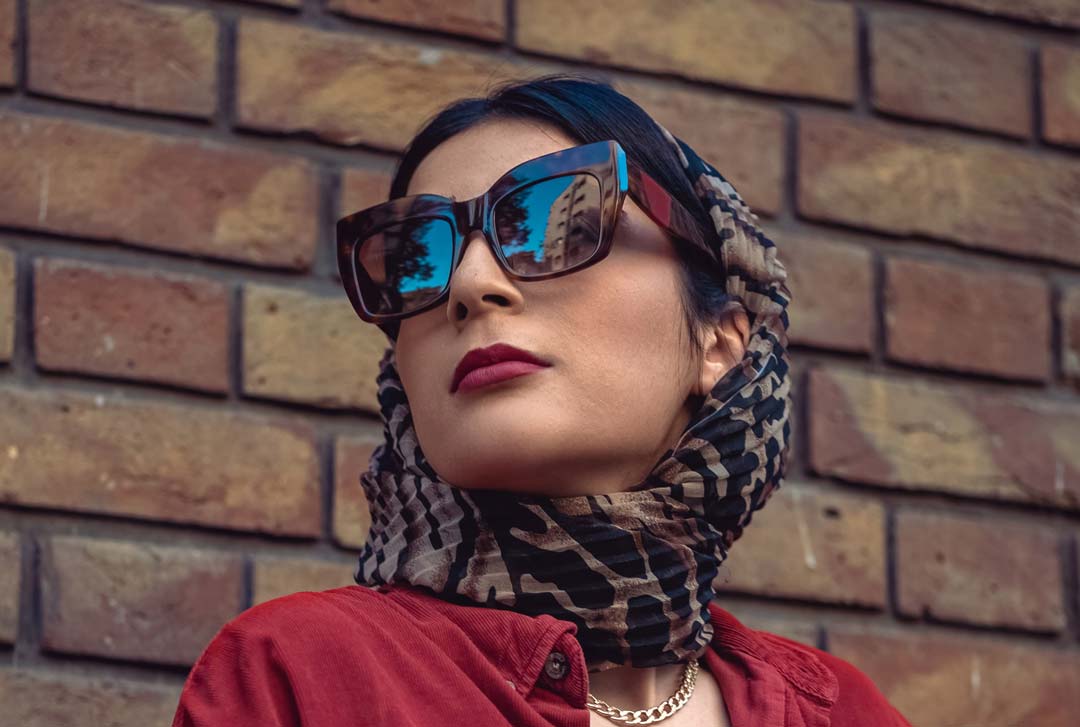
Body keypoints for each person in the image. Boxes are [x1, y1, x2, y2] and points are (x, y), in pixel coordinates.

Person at [172, 73, 912, 726]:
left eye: (555, 217)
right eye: (419, 254)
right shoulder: (300, 675)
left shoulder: (843, 712)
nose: (469, 284)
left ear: (719, 341)